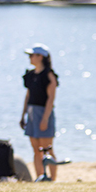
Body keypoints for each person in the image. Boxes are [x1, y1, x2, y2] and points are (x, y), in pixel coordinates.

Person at [20, 43, 59, 181]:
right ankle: (39, 178)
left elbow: (51, 98)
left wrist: (45, 118)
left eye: (32, 55)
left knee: (47, 148)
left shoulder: (49, 76)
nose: (30, 58)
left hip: (43, 113)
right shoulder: (30, 75)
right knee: (36, 149)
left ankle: (52, 178)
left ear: (41, 57)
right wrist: (23, 114)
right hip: (31, 113)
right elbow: (28, 96)